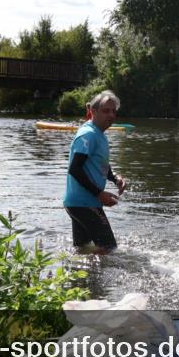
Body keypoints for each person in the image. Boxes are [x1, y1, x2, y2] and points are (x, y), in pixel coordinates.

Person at [64, 91, 127, 253]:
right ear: (93, 111)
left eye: (114, 111)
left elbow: (99, 164)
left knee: (82, 249)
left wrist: (115, 178)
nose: (111, 115)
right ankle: (94, 276)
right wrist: (99, 193)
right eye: (106, 111)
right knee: (109, 248)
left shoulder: (98, 132)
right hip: (84, 203)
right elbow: (75, 169)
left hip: (78, 203)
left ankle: (81, 277)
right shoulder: (89, 134)